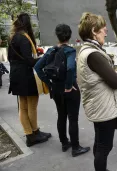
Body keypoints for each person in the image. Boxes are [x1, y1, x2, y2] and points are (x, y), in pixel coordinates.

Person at [34, 24, 90, 157]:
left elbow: (37, 67)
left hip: (56, 89)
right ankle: (75, 148)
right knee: (73, 118)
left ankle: (65, 143)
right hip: (70, 89)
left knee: (61, 116)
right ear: (69, 36)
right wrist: (69, 85)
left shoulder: (51, 50)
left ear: (57, 35)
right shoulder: (69, 51)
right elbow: (70, 68)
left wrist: (49, 83)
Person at [77, 12, 117, 171]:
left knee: (100, 143)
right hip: (103, 107)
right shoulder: (94, 54)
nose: (106, 31)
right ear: (94, 31)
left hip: (97, 105)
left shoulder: (86, 50)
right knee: (104, 146)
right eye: (103, 28)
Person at [8, 13, 51, 147]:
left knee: (23, 106)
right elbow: (30, 61)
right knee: (32, 105)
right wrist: (43, 58)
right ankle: (32, 134)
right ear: (27, 24)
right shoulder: (25, 38)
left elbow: (13, 58)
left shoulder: (13, 37)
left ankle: (32, 133)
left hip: (16, 75)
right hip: (26, 76)